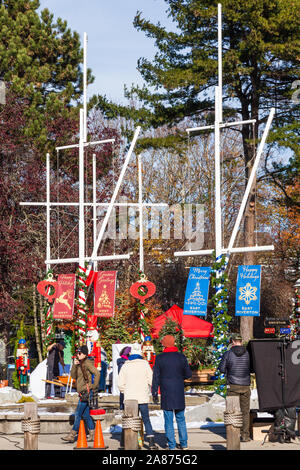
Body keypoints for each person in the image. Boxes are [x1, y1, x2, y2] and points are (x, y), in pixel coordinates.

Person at [152, 334, 192, 450]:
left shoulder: (160, 358)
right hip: (178, 390)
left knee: (168, 420)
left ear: (164, 344)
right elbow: (188, 374)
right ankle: (184, 444)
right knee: (181, 418)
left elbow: (156, 376)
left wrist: (154, 392)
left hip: (166, 391)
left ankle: (172, 444)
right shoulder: (181, 357)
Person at [118, 343, 157, 450]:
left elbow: (120, 384)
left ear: (131, 353)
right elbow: (151, 380)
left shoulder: (125, 365)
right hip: (142, 397)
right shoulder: (145, 365)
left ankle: (124, 442)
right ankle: (151, 443)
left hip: (129, 398)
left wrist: (125, 392)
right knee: (146, 419)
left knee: (129, 420)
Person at [61, 345, 100, 443]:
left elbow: (97, 373)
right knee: (86, 415)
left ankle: (72, 434)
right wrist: (75, 364)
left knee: (78, 413)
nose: (78, 355)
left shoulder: (87, 363)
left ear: (85, 354)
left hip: (86, 391)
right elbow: (73, 376)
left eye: (80, 353)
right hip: (82, 392)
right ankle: (92, 434)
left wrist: (93, 386)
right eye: (77, 353)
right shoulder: (80, 363)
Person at [218, 333, 251, 442]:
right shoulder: (248, 353)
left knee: (232, 411)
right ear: (241, 341)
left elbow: (222, 369)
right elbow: (252, 367)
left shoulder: (228, 353)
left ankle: (234, 435)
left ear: (232, 341)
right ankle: (245, 435)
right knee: (245, 411)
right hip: (245, 385)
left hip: (232, 385)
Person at [116, 346, 131, 410]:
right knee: (124, 393)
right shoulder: (123, 362)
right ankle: (122, 406)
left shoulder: (122, 361)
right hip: (125, 380)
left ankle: (123, 406)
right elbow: (121, 372)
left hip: (124, 380)